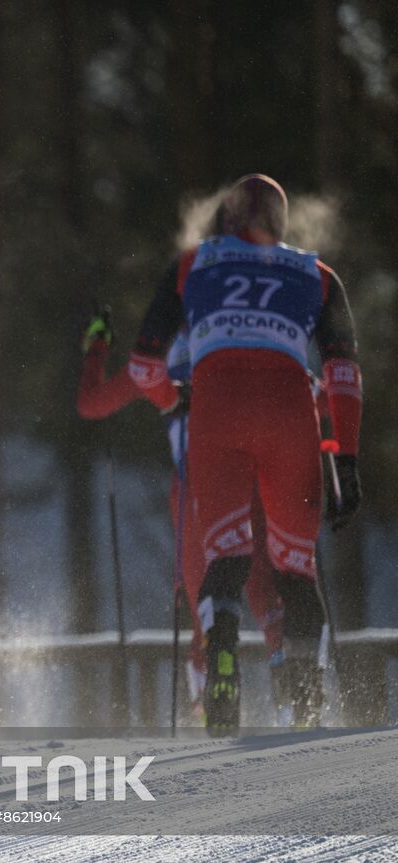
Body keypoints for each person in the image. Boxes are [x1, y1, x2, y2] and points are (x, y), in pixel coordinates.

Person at [128, 174, 362, 733]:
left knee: (226, 563)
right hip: (289, 416)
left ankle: (222, 674)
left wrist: (172, 400)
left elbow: (142, 366)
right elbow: (344, 373)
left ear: (226, 221)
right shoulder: (317, 273)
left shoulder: (193, 265)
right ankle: (305, 698)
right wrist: (346, 459)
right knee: (294, 570)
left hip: (216, 414)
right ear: (281, 222)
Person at [77, 313, 286, 718]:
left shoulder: (163, 353)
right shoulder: (246, 337)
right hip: (252, 473)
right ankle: (294, 684)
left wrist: (97, 348)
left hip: (196, 481)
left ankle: (209, 705)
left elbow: (91, 404)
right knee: (260, 584)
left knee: (204, 602)